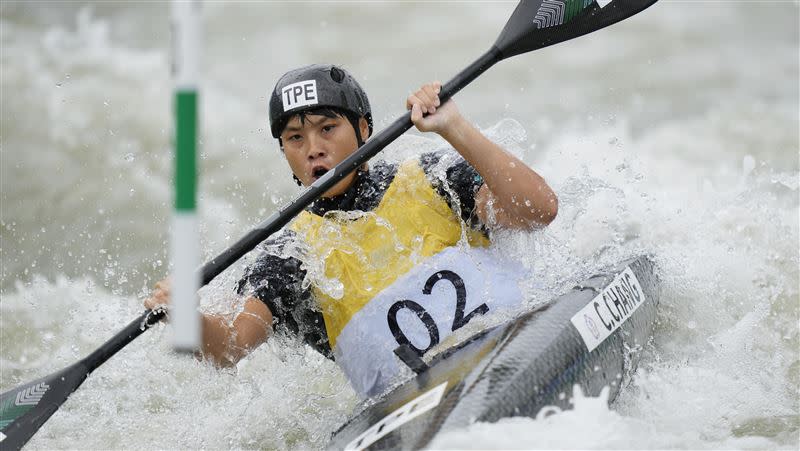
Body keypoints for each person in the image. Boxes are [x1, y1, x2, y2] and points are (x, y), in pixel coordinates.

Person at [146, 64, 557, 396]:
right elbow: (230, 347)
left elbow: (539, 210)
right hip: (412, 403)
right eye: (295, 138)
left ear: (363, 129)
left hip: (518, 341)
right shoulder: (290, 255)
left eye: (327, 128)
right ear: (285, 153)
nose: (313, 148)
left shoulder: (434, 177)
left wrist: (454, 127)